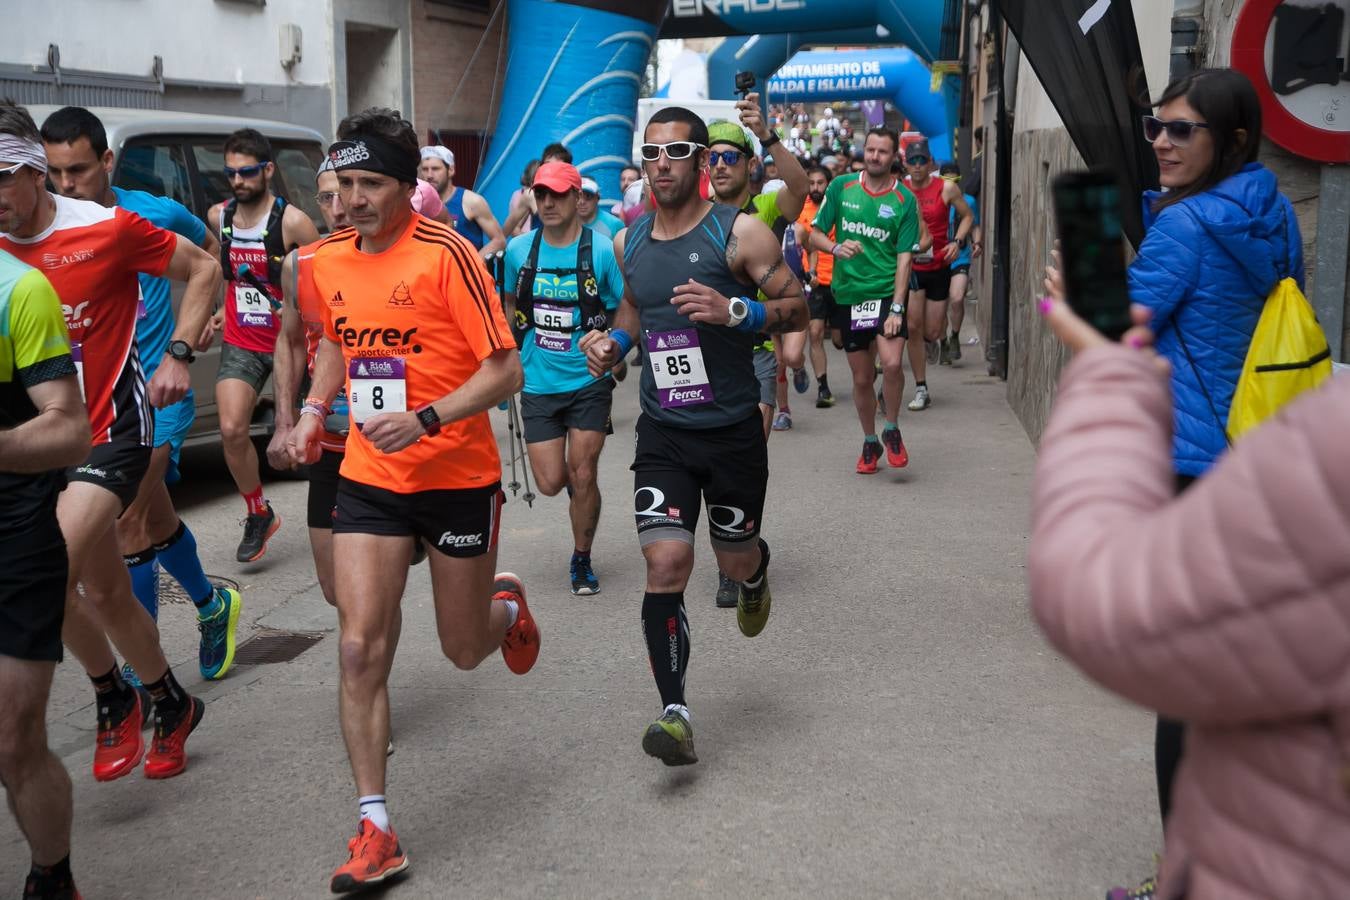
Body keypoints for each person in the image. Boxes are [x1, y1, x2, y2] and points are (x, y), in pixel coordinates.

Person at [1046, 67, 1303, 900]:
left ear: (1228, 141)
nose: (1159, 140)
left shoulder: (1186, 229)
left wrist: (1071, 294)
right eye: (1156, 126)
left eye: (1181, 130)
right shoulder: (1269, 213)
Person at [285, 107, 540, 893]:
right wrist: (309, 412)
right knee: (360, 645)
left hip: (456, 478)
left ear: (405, 187)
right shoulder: (324, 260)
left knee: (463, 648)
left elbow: (505, 372)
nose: (351, 199)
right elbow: (334, 340)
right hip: (369, 475)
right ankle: (376, 827)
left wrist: (427, 417)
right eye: (344, 184)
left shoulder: (446, 256)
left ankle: (505, 611)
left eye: (369, 184)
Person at [1029, 290, 1348, 900]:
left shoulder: (1336, 455)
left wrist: (1107, 383)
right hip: (1243, 436)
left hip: (1193, 440)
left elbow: (1104, 604)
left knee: (1197, 684)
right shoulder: (1273, 219)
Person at [581, 106, 807, 766]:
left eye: (676, 151)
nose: (661, 163)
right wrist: (614, 343)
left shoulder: (738, 235)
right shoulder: (629, 242)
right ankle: (674, 711)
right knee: (667, 563)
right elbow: (634, 308)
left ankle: (755, 573)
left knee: (734, 559)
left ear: (703, 161)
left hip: (733, 430)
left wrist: (737, 309)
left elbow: (798, 307)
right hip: (666, 433)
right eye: (651, 152)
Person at [0, 102, 219, 781]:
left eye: (5, 175)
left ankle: (110, 693)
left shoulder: (107, 228)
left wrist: (179, 353)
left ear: (35, 170)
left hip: (109, 430)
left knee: (45, 573)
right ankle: (168, 700)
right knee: (105, 595)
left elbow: (203, 272)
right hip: (38, 449)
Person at [40, 106, 244, 684]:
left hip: (157, 396)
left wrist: (200, 327)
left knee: (127, 523)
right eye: (55, 173)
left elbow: (209, 257)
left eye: (78, 170)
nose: (67, 184)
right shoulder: (51, 233)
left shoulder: (149, 212)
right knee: (153, 518)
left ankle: (141, 674)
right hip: (92, 407)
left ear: (107, 161)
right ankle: (212, 605)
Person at [0, 248, 91, 900]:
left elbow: (69, 432)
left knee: (12, 736)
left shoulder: (18, 290)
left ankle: (52, 877)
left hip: (14, 532)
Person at [704, 97, 809, 605]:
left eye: (730, 156)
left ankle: (736, 557)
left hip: (754, 350)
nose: (720, 164)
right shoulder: (691, 212)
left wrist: (766, 135)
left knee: (746, 456)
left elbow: (801, 189)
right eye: (712, 157)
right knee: (710, 459)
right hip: (703, 354)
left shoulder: (764, 209)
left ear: (748, 166)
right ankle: (736, 550)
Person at [503, 161, 625, 595]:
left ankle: (581, 559)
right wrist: (507, 362)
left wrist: (613, 344)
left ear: (578, 199)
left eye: (557, 194)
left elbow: (624, 306)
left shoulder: (604, 250)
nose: (548, 203)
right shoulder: (519, 250)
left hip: (588, 381)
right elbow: (508, 305)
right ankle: (582, 500)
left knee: (584, 471)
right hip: (537, 383)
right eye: (541, 195)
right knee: (553, 482)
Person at [203, 128, 321, 563]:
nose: (238, 180)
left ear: (268, 170)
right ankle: (258, 511)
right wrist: (216, 311)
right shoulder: (219, 216)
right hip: (242, 340)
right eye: (231, 173)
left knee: (319, 435)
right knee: (232, 429)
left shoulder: (293, 222)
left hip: (291, 341)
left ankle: (346, 508)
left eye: (247, 172)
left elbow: (322, 278)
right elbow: (223, 270)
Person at [809, 127, 924, 475]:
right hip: (850, 295)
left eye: (882, 152)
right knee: (861, 379)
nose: (875, 156)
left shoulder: (904, 200)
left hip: (887, 292)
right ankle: (869, 440)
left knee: (890, 364)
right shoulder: (841, 188)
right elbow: (812, 233)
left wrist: (899, 308)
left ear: (893, 158)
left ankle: (891, 428)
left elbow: (906, 258)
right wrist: (834, 247)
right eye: (870, 150)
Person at [901, 141, 974, 410]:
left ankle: (933, 341)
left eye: (922, 160)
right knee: (914, 327)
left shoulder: (946, 187)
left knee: (932, 329)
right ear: (906, 164)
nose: (918, 166)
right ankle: (921, 387)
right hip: (912, 268)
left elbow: (967, 216)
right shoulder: (901, 189)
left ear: (930, 163)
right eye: (913, 161)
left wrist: (957, 241)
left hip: (940, 265)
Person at [417, 145, 506, 262]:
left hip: (464, 274)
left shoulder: (471, 201)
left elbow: (499, 241)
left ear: (451, 170)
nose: (429, 175)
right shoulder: (418, 203)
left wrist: (472, 266)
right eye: (424, 169)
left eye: (435, 169)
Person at [795, 164, 836, 408]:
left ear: (828, 185)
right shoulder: (800, 211)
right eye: (812, 183)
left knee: (840, 340)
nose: (815, 187)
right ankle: (823, 387)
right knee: (816, 333)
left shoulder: (838, 209)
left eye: (820, 183)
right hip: (814, 282)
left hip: (842, 280)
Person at [938, 161, 981, 365]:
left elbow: (974, 224)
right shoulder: (934, 199)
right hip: (937, 258)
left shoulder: (969, 201)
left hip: (960, 256)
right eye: (945, 175)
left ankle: (954, 336)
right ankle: (943, 340)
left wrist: (978, 243)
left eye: (953, 175)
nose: (949, 180)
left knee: (956, 299)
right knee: (939, 307)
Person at [503, 142, 572, 236]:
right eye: (548, 165)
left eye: (558, 167)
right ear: (542, 167)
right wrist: (532, 244)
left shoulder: (575, 195)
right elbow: (509, 229)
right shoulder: (531, 195)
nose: (552, 170)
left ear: (568, 169)